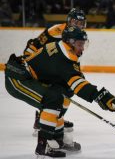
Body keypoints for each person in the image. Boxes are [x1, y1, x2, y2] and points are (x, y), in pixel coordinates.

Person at [4, 26, 115, 159]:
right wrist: (99, 96)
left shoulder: (63, 49)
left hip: (28, 76)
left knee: (65, 92)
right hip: (18, 78)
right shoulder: (64, 57)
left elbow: (74, 79)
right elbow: (77, 82)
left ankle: (57, 139)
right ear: (70, 42)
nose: (82, 48)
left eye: (84, 44)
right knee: (52, 98)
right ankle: (44, 147)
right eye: (79, 44)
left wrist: (98, 93)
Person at [23, 8, 87, 136]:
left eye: (81, 23)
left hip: (55, 65)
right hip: (42, 66)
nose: (79, 26)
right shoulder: (56, 30)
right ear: (69, 21)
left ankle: (57, 117)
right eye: (76, 22)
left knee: (68, 88)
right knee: (52, 92)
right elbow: (35, 45)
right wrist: (28, 62)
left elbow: (72, 57)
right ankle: (42, 119)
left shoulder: (78, 35)